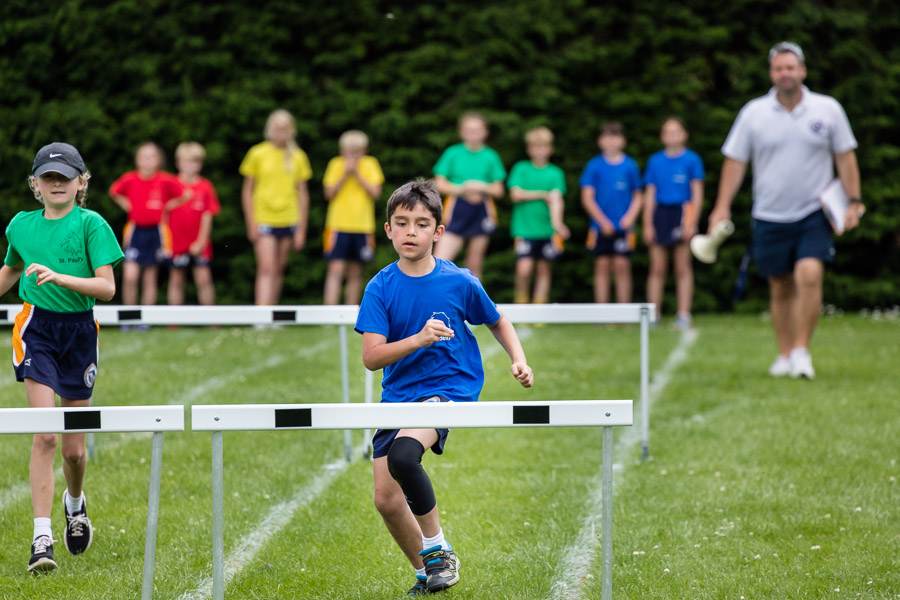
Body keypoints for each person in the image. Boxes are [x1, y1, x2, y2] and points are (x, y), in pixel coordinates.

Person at [354, 179, 533, 595]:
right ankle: (429, 570)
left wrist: (518, 359)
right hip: (399, 393)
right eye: (401, 223)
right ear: (388, 230)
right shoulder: (379, 287)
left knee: (403, 454)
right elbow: (371, 358)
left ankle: (436, 549)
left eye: (421, 224)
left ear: (438, 232)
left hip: (449, 387)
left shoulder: (460, 281)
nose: (410, 232)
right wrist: (418, 338)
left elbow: (497, 319)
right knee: (385, 498)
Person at [0, 143, 124, 573]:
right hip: (36, 328)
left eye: (65, 177)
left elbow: (107, 288)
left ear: (81, 182)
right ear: (35, 184)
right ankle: (41, 540)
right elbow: (12, 270)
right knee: (46, 433)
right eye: (48, 177)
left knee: (73, 450)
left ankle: (75, 503)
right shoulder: (20, 226)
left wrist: (61, 277)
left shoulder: (92, 225)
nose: (56, 183)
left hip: (78, 332)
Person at [709, 41, 863, 379]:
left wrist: (853, 201)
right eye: (779, 68)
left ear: (803, 71)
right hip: (769, 213)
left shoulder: (827, 109)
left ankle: (801, 351)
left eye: (791, 67)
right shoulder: (753, 113)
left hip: (814, 211)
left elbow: (845, 156)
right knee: (779, 286)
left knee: (809, 274)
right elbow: (735, 162)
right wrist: (721, 207)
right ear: (771, 73)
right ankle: (783, 353)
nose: (785, 73)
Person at [239, 109, 312, 305]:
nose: (281, 132)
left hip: (289, 218)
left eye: (285, 129)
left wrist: (301, 229)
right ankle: (262, 316)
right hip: (264, 217)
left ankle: (272, 314)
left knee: (279, 269)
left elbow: (302, 194)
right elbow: (247, 191)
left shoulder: (298, 156)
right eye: (277, 128)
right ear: (270, 129)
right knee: (266, 267)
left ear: (291, 131)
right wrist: (251, 222)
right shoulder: (257, 153)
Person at [109, 142, 188, 318]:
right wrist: (128, 206)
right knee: (130, 275)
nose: (147, 161)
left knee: (150, 278)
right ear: (137, 160)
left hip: (156, 232)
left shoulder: (165, 180)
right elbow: (114, 191)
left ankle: (145, 319)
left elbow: (185, 194)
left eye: (152, 156)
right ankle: (129, 318)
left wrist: (167, 207)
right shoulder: (130, 178)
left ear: (159, 160)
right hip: (136, 231)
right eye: (143, 156)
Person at [643, 117, 705, 329]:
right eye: (667, 132)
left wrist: (692, 222)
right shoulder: (655, 161)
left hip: (682, 212)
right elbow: (649, 195)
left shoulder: (692, 160)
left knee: (682, 267)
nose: (672, 136)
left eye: (676, 132)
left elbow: (697, 193)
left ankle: (683, 314)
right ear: (662, 136)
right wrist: (648, 224)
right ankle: (654, 315)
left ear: (684, 134)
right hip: (661, 213)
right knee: (657, 268)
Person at [432, 112, 507, 280]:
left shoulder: (491, 156)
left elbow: (499, 190)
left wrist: (481, 187)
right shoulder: (453, 153)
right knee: (440, 261)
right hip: (456, 209)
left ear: (485, 132)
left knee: (474, 264)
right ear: (462, 132)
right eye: (469, 130)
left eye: (477, 130)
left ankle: (474, 304)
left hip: (481, 211)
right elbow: (438, 183)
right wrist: (462, 189)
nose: (473, 134)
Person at [579, 121, 643, 303]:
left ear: (623, 140)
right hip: (599, 228)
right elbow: (587, 197)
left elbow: (638, 195)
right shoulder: (594, 166)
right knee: (602, 266)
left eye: (615, 136)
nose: (611, 141)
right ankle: (602, 314)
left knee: (622, 266)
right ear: (600, 141)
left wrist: (630, 217)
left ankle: (624, 314)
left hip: (624, 227)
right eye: (606, 136)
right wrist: (602, 222)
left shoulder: (630, 166)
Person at [507, 126, 570, 304]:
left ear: (550, 149)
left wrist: (558, 225)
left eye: (544, 146)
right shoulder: (521, 168)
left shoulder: (555, 173)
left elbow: (557, 200)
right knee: (523, 270)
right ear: (529, 149)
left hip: (547, 231)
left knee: (544, 269)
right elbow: (515, 194)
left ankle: (540, 308)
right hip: (524, 230)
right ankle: (521, 305)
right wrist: (543, 194)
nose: (540, 150)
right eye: (536, 146)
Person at [322, 130, 384, 305]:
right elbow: (329, 193)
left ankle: (350, 312)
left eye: (357, 152)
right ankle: (329, 312)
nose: (354, 156)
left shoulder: (371, 164)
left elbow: (375, 192)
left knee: (356, 271)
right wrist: (344, 174)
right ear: (342, 151)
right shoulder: (335, 164)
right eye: (350, 152)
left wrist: (356, 174)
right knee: (336, 269)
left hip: (363, 226)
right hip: (337, 225)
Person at [167, 142, 220, 306]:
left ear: (200, 164)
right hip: (176, 242)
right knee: (176, 280)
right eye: (186, 161)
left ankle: (211, 321)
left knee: (204, 279)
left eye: (195, 162)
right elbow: (163, 211)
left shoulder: (205, 187)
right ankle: (172, 322)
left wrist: (201, 241)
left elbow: (208, 215)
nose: (190, 166)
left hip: (199, 242)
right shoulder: (171, 185)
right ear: (178, 163)